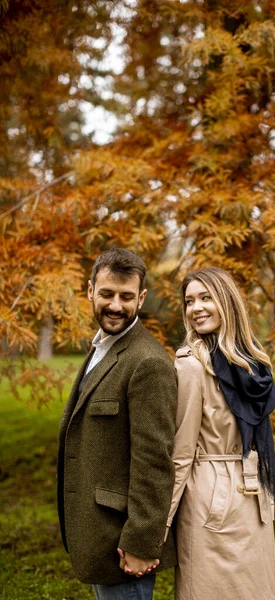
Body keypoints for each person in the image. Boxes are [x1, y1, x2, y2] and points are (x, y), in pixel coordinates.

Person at [57, 248, 177, 600]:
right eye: (107, 293)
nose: (115, 305)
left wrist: (142, 541)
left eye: (126, 297)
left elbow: (155, 460)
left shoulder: (148, 361)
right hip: (98, 532)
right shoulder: (103, 347)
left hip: (124, 543)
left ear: (141, 299)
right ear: (90, 290)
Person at [166, 267, 275, 600]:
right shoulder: (190, 365)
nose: (195, 308)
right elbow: (182, 451)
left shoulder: (252, 363)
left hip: (254, 493)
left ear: (226, 302)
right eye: (189, 301)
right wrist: (157, 529)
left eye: (205, 298)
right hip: (210, 498)